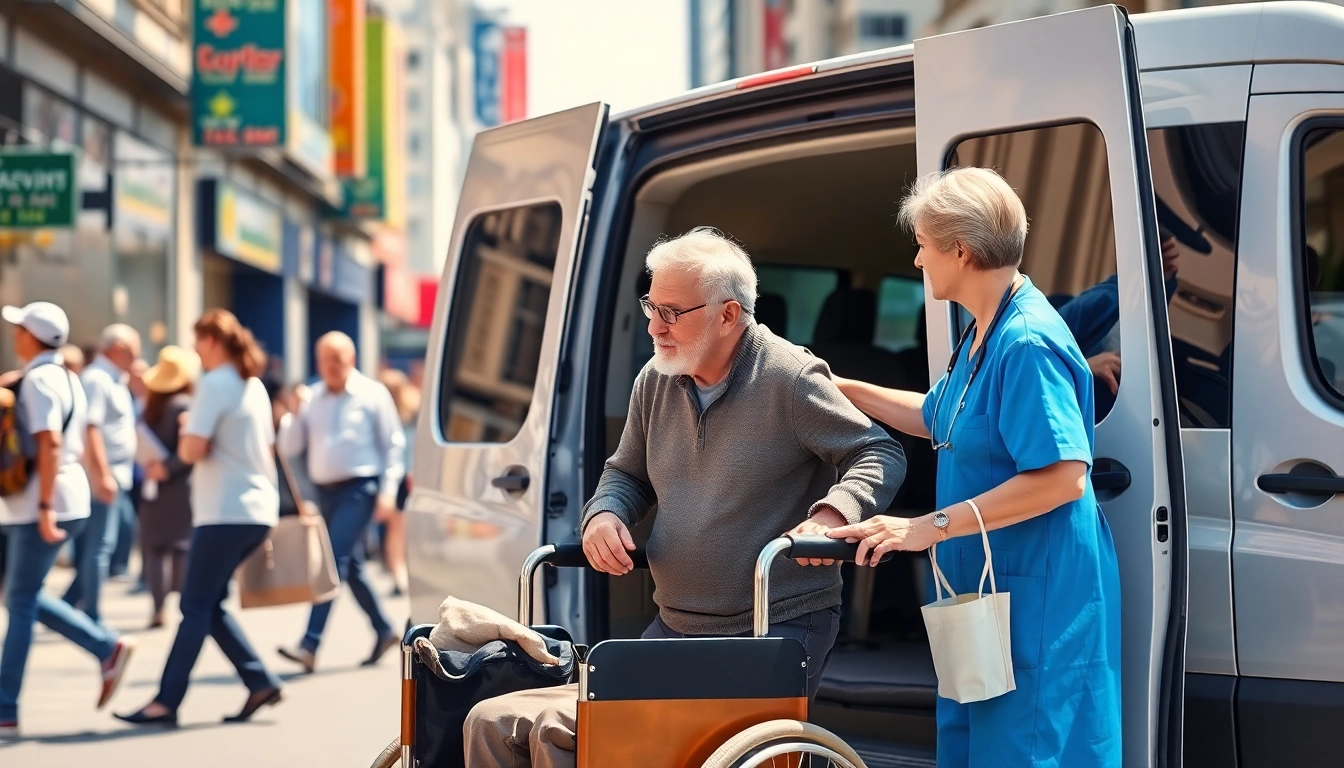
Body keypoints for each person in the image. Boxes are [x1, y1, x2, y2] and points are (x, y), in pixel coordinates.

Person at [463, 227, 906, 768]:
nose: (654, 326)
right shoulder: (655, 379)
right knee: (496, 724)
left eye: (671, 312)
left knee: (626, 742)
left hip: (774, 623)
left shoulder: (790, 377)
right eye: (651, 306)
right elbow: (626, 474)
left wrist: (830, 516)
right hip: (675, 623)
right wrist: (603, 514)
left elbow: (878, 452)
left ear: (728, 315)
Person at [821, 168, 1121, 767]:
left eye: (924, 245)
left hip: (1038, 598)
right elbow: (938, 416)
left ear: (960, 250)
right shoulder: (987, 329)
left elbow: (1064, 477)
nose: (916, 258)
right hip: (984, 595)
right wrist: (830, 384)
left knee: (1025, 749)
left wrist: (924, 528)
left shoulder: (1028, 340)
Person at [116, 310, 283, 726]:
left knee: (193, 604)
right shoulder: (253, 385)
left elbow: (190, 452)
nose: (194, 350)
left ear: (211, 341)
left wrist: (192, 429)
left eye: (197, 341)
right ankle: (259, 681)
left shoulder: (214, 384)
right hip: (254, 507)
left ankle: (165, 701)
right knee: (210, 604)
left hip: (224, 511)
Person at [0, 302, 134, 737]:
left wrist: (42, 509)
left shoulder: (39, 381)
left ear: (31, 337)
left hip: (47, 500)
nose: (14, 333)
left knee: (20, 601)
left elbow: (50, 444)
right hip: (69, 496)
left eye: (20, 328)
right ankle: (104, 646)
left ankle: (6, 706)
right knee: (24, 596)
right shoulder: (64, 376)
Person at [274, 332, 404, 673]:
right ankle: (384, 629)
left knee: (332, 560)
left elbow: (393, 446)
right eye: (325, 359)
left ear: (352, 358)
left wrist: (388, 492)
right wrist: (293, 413)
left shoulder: (372, 393)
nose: (331, 366)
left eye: (338, 358)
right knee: (351, 566)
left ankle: (309, 643)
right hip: (324, 491)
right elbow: (290, 447)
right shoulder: (312, 396)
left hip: (361, 488)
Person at [62, 325, 140, 625]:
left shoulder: (113, 379)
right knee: (99, 547)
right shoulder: (97, 379)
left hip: (114, 473)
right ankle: (91, 614)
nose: (136, 357)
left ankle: (68, 605)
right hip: (103, 475)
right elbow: (90, 428)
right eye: (132, 350)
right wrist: (102, 474)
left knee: (99, 544)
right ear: (117, 348)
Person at [137, 346, 200, 629]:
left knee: (154, 548)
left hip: (153, 486)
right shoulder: (186, 405)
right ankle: (182, 603)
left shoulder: (149, 408)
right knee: (180, 547)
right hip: (180, 486)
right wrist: (170, 467)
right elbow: (189, 451)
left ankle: (158, 606)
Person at [376, 367, 419, 597]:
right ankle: (399, 574)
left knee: (395, 530)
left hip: (399, 476)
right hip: (404, 475)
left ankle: (399, 575)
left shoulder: (409, 412)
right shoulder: (411, 411)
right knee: (398, 529)